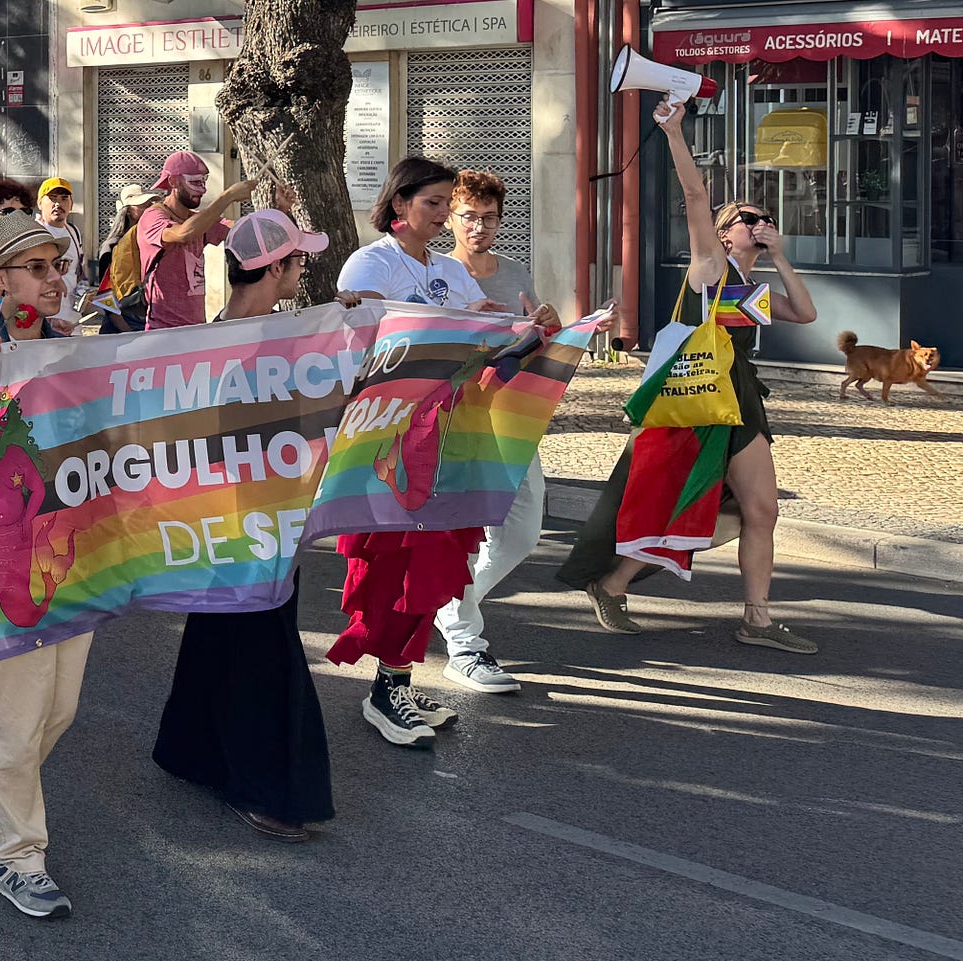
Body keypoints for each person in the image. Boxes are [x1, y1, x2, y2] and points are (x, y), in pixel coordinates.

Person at [557, 102, 819, 653]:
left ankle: (758, 619)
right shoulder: (711, 269)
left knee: (760, 509)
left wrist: (781, 257)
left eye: (763, 217)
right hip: (698, 402)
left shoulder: (746, 286)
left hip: (740, 400)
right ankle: (611, 582)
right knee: (674, 501)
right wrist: (674, 131)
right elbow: (696, 197)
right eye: (749, 220)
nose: (760, 223)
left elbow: (805, 314)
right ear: (724, 234)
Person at [155, 209, 357, 842]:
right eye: (299, 260)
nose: (306, 268)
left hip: (244, 521)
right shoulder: (245, 345)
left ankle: (188, 751)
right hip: (249, 525)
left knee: (222, 637)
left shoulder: (254, 333)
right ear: (274, 268)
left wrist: (343, 316)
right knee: (263, 655)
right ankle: (264, 788)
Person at [328, 157, 503, 749]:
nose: (443, 215)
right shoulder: (372, 262)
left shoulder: (451, 272)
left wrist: (520, 327)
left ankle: (397, 680)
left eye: (446, 204)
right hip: (386, 443)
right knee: (390, 566)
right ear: (400, 205)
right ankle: (385, 691)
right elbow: (361, 349)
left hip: (446, 439)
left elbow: (489, 337)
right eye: (433, 203)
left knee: (430, 565)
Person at [0, 208, 88, 919]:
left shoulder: (78, 345)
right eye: (37, 267)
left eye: (59, 265)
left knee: (57, 711)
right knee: (16, 717)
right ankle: (19, 857)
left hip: (70, 555)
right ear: (0, 279)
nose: (55, 279)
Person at [432, 169, 561, 696]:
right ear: (451, 221)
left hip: (510, 414)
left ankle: (448, 605)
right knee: (463, 527)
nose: (478, 226)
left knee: (524, 526)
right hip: (455, 417)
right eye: (468, 216)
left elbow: (534, 340)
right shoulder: (436, 273)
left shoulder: (513, 272)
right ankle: (464, 640)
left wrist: (549, 326)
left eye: (488, 217)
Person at [137, 151, 256, 330]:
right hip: (162, 330)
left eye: (203, 182)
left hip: (195, 329)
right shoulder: (154, 215)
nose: (202, 190)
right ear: (173, 182)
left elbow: (241, 230)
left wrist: (278, 209)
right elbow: (183, 234)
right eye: (194, 182)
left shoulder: (199, 221)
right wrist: (227, 197)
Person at [96, 183, 160, 334]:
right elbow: (104, 296)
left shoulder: (151, 242)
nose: (148, 209)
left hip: (148, 321)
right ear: (128, 210)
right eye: (142, 205)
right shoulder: (112, 246)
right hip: (121, 325)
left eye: (150, 204)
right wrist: (125, 329)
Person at [34, 177, 85, 324]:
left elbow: (79, 268)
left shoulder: (73, 231)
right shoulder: (33, 233)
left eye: (64, 198)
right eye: (52, 198)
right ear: (40, 203)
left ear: (71, 204)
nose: (58, 204)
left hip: (71, 318)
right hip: (44, 319)